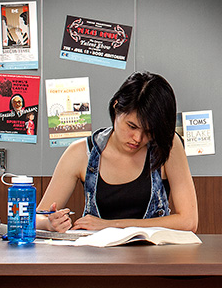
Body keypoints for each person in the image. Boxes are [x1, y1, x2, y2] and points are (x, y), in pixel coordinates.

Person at [36, 72, 198, 233]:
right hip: (97, 256)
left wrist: (110, 225)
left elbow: (188, 221)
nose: (138, 138)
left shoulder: (168, 146)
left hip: (152, 256)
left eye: (149, 131)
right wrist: (49, 224)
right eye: (131, 126)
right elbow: (36, 217)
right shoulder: (81, 152)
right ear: (116, 107)